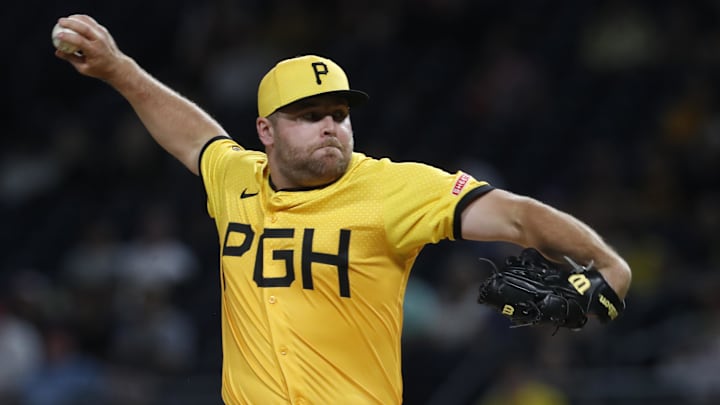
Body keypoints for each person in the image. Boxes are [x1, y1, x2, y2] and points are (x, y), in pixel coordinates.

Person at [53, 14, 632, 405]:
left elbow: (514, 217)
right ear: (266, 131)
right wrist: (118, 69)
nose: (330, 125)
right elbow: (192, 137)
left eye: (339, 113)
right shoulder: (236, 180)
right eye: (309, 115)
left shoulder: (391, 189)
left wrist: (607, 262)